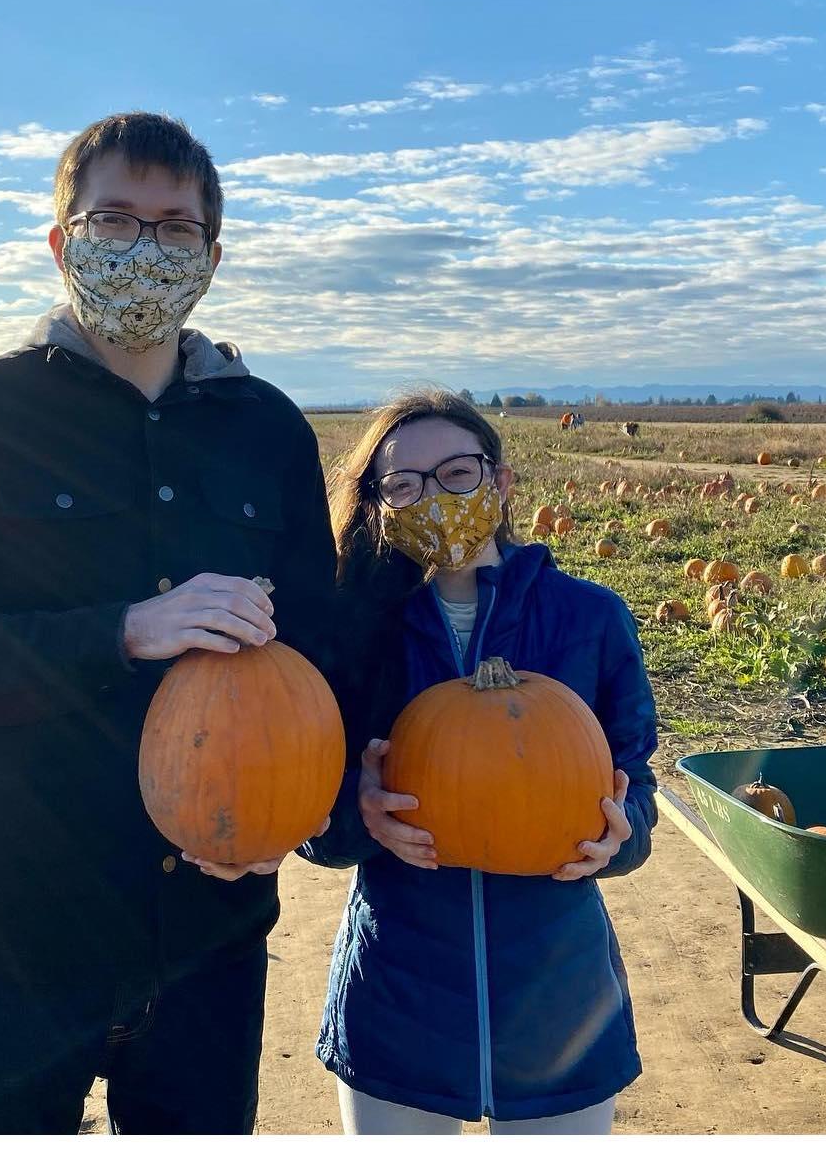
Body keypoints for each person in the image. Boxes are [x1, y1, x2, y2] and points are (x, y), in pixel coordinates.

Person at [0, 112, 337, 1135]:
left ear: (210, 255)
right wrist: (122, 629)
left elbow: (323, 659)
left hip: (208, 934)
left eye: (174, 228)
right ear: (61, 240)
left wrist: (291, 821)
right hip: (13, 937)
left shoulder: (269, 431)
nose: (144, 249)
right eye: (114, 219)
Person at [299, 389, 657, 1134]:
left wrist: (624, 836)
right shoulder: (360, 631)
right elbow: (309, 816)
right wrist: (353, 813)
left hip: (560, 1007)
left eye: (457, 472)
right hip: (397, 998)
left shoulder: (589, 619)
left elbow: (637, 787)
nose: (434, 497)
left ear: (499, 481)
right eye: (405, 485)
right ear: (380, 508)